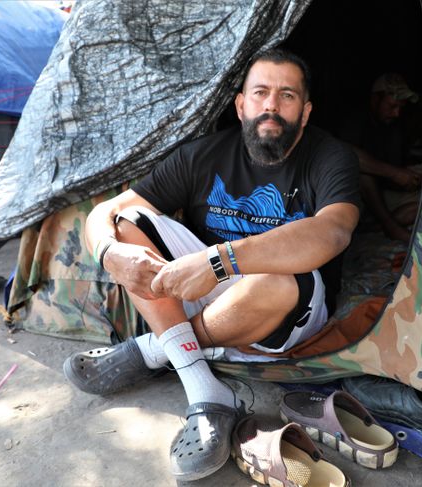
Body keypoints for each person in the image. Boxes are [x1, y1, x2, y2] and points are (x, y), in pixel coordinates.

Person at [62, 49, 361, 481]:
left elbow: (334, 231)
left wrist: (220, 261)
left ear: (306, 110)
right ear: (241, 104)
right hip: (204, 283)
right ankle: (206, 388)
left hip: (288, 301)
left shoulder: (331, 157)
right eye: (260, 93)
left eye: (287, 95)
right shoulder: (204, 153)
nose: (271, 105)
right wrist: (109, 253)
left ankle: (154, 350)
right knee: (128, 224)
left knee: (272, 283)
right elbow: (105, 212)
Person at [340, 73, 422, 242]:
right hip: (354, 199)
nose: (397, 113)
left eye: (400, 107)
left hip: (381, 196)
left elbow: (395, 167)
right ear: (375, 99)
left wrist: (408, 179)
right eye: (392, 106)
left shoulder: (393, 126)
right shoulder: (355, 120)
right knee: (363, 175)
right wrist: (394, 174)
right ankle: (391, 227)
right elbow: (347, 154)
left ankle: (375, 228)